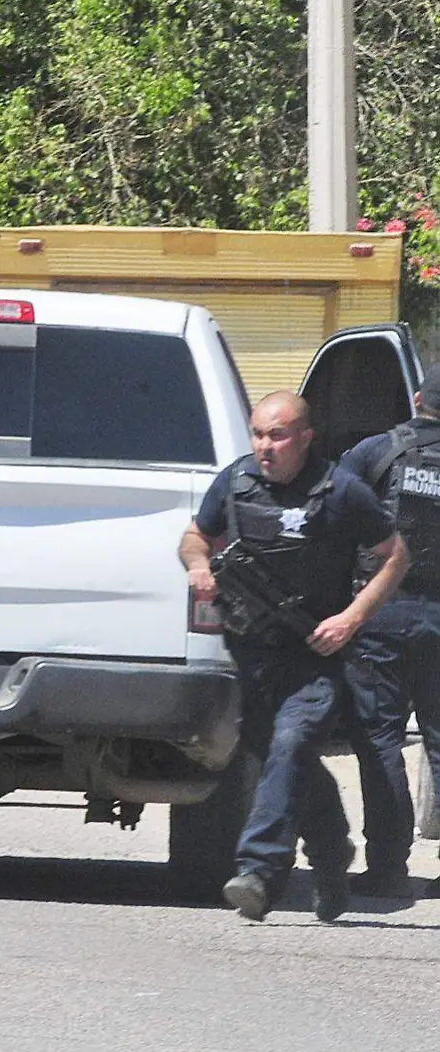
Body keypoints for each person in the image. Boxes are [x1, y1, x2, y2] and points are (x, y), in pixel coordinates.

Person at [179, 391, 407, 922]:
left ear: (305, 437)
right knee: (286, 759)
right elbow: (195, 536)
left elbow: (395, 557)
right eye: (259, 434)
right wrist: (198, 566)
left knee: (292, 740)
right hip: (252, 653)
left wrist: (352, 617)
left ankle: (258, 871)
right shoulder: (235, 482)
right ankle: (332, 854)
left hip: (315, 654)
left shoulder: (342, 490)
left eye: (277, 435)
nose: (265, 446)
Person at [337, 368, 440, 899]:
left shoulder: (376, 452)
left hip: (382, 616)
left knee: (379, 741)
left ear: (417, 400)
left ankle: (387, 868)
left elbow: (328, 516)